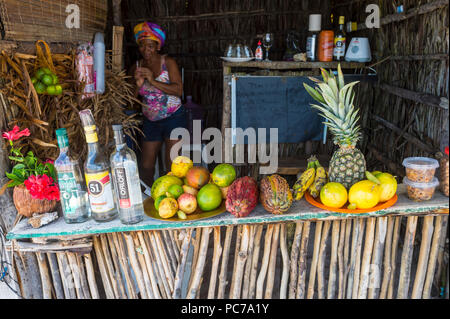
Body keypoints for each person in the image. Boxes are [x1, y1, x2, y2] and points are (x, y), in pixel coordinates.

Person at [130, 22, 186, 187]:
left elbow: (178, 90)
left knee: (173, 167)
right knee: (146, 166)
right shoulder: (137, 67)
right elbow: (128, 102)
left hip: (174, 118)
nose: (146, 49)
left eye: (150, 45)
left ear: (158, 46)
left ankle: (173, 199)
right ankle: (148, 198)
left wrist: (152, 81)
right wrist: (138, 84)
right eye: (142, 45)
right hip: (150, 121)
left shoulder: (167, 63)